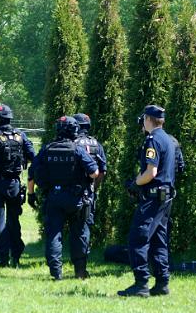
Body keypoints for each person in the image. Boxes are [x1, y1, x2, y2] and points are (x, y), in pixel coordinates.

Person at [118, 105, 184, 297]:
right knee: (159, 240)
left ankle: (141, 284)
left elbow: (151, 172)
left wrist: (135, 183)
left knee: (138, 238)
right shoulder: (170, 140)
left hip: (153, 198)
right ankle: (162, 283)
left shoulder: (153, 140)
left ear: (148, 119)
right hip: (166, 198)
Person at [28, 116, 99, 280]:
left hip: (54, 197)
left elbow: (32, 173)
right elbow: (94, 172)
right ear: (74, 131)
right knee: (80, 233)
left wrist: (31, 194)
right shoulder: (77, 149)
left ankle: (56, 273)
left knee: (53, 234)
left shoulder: (47, 149)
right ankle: (80, 272)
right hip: (77, 199)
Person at [0, 104, 36, 268]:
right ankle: (16, 257)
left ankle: (3, 258)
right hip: (14, 184)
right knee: (14, 221)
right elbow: (33, 156)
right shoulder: (20, 135)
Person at [73, 113, 107, 258]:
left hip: (72, 190)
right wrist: (94, 187)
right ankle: (83, 256)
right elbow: (103, 171)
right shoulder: (96, 144)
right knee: (85, 224)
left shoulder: (72, 143)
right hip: (89, 190)